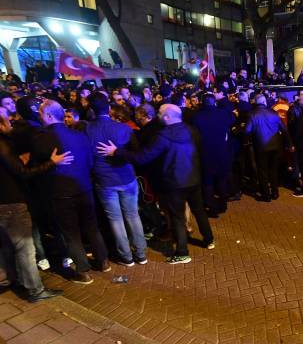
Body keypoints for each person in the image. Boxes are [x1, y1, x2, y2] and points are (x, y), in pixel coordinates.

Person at [97, 104, 214, 265]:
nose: (157, 116)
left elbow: (143, 157)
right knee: (199, 210)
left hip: (174, 182)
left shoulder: (163, 136)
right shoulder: (191, 130)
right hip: (193, 178)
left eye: (159, 113)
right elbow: (199, 151)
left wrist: (117, 151)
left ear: (167, 117)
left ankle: (182, 252)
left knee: (177, 218)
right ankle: (209, 239)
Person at [30, 100, 109, 284]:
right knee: (91, 226)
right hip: (84, 187)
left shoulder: (41, 139)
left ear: (48, 116)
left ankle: (83, 271)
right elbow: (90, 161)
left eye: (41, 114)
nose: (39, 117)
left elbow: (34, 169)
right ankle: (103, 261)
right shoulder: (79, 135)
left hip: (60, 192)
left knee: (71, 232)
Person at [0, 106, 68, 302]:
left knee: (6, 245)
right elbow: (22, 173)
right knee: (25, 247)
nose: (11, 124)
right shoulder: (3, 144)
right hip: (11, 202)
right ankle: (34, 289)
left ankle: (8, 279)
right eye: (7, 121)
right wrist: (51, 163)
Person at [86, 93, 147, 267]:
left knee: (115, 219)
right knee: (132, 215)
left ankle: (126, 256)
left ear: (91, 109)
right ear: (109, 108)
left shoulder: (87, 129)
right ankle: (141, 254)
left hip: (104, 179)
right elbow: (137, 153)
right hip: (125, 176)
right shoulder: (124, 129)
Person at [192, 94, 235, 216]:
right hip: (221, 151)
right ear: (214, 102)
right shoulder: (222, 114)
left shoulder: (197, 117)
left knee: (208, 182)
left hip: (205, 153)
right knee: (221, 180)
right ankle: (223, 204)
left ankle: (212, 207)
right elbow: (232, 120)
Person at [245, 94, 293, 201]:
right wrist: (289, 143)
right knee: (273, 170)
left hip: (261, 146)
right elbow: (284, 129)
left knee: (263, 171)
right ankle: (275, 192)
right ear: (264, 102)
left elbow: (247, 131)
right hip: (276, 146)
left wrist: (247, 141)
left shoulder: (252, 114)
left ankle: (265, 194)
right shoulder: (273, 113)